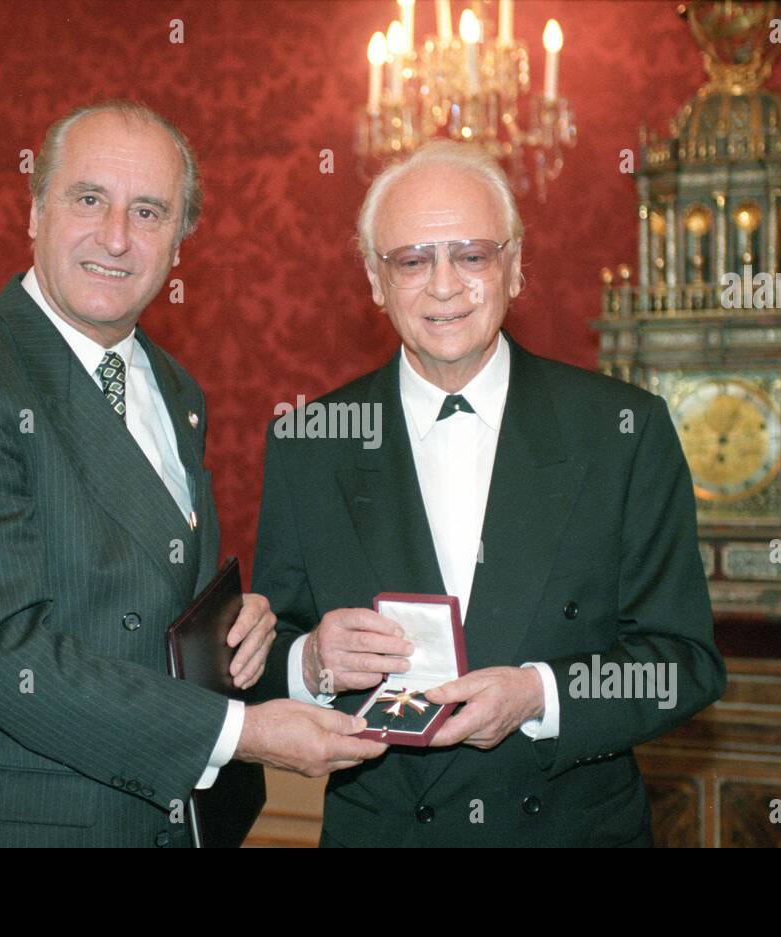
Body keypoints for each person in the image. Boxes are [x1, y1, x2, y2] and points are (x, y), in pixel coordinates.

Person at [0, 100, 384, 848]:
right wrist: (240, 732)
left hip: (172, 820)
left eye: (149, 212)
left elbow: (154, 607)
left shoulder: (175, 390)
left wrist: (240, 630)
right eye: (89, 199)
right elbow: (2, 655)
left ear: (180, 243)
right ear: (36, 210)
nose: (116, 236)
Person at [248, 140, 727, 847]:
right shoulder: (309, 442)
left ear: (515, 266)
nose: (444, 285)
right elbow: (265, 657)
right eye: (412, 260)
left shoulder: (621, 430)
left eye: (471, 255)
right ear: (376, 281)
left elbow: (684, 663)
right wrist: (311, 661)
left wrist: (541, 695)